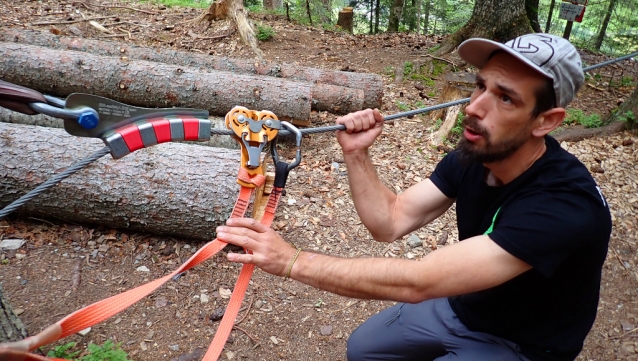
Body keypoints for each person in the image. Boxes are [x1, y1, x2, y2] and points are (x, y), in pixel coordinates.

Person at [215, 33, 611, 361]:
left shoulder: (565, 206)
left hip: (523, 344)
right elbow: (390, 221)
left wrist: (293, 261)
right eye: (480, 85)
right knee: (363, 350)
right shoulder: (477, 155)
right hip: (462, 305)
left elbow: (419, 282)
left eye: (505, 98)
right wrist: (356, 154)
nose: (474, 107)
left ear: (546, 121)